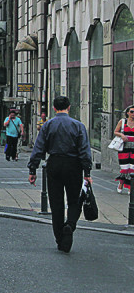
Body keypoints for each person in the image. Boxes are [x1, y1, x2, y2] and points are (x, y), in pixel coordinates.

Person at [27, 96, 92, 253]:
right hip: (73, 165)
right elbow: (84, 150)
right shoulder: (78, 126)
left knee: (56, 203)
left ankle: (59, 238)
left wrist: (32, 169)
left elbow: (39, 147)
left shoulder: (48, 125)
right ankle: (70, 224)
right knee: (74, 200)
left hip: (54, 163)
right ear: (69, 107)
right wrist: (87, 172)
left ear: (54, 108)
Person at [112, 105, 134, 194]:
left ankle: (130, 187)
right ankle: (121, 183)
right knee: (125, 168)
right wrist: (122, 135)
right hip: (124, 147)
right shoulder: (123, 121)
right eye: (132, 112)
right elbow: (115, 132)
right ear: (127, 113)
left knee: (132, 168)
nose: (133, 114)